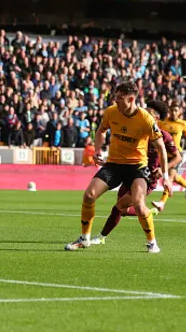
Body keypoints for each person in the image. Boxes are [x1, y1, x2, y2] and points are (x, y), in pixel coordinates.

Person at [65, 81, 172, 254]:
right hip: (114, 164)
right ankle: (84, 239)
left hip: (137, 166)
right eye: (115, 97)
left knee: (138, 203)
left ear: (131, 99)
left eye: (120, 98)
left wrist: (166, 176)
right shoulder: (111, 112)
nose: (116, 101)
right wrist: (98, 149)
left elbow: (161, 147)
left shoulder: (145, 118)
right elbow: (100, 131)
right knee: (89, 195)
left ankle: (152, 242)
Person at [90, 100, 182, 245]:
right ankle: (149, 213)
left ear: (156, 118)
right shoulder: (137, 131)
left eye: (149, 112)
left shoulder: (164, 136)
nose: (143, 113)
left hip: (146, 178)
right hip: (130, 172)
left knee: (120, 206)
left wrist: (163, 170)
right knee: (124, 210)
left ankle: (101, 237)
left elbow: (178, 157)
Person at [158, 102, 186, 199]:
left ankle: (161, 203)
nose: (173, 112)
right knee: (174, 177)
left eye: (176, 110)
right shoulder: (162, 123)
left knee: (169, 178)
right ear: (169, 111)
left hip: (176, 154)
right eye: (172, 110)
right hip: (164, 154)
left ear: (179, 112)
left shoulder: (183, 123)